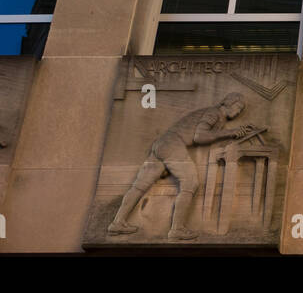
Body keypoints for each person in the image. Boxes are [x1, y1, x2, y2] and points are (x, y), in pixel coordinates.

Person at [107, 92, 258, 240]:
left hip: (163, 144)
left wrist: (237, 131)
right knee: (190, 184)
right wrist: (230, 132)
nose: (239, 111)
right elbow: (199, 137)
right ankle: (177, 229)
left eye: (241, 110)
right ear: (228, 102)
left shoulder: (216, 117)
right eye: (238, 106)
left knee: (140, 186)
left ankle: (117, 222)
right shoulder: (213, 113)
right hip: (173, 144)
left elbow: (212, 136)